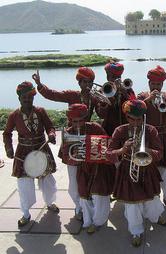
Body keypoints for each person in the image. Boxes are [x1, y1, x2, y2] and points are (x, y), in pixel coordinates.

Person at [32, 67, 98, 220]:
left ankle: (88, 202)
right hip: (71, 137)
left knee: (89, 173)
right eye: (84, 82)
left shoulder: (94, 97)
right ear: (79, 82)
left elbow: (101, 113)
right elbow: (53, 95)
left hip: (87, 136)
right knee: (73, 175)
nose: (87, 85)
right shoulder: (72, 95)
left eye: (90, 82)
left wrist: (103, 103)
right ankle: (78, 206)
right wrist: (40, 85)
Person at [106, 99, 166, 247]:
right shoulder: (120, 130)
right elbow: (108, 154)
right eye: (131, 119)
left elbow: (159, 154)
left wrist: (146, 150)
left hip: (148, 169)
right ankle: (136, 231)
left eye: (139, 119)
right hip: (128, 170)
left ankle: (155, 216)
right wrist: (122, 150)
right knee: (132, 204)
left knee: (152, 199)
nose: (135, 123)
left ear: (143, 117)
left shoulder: (151, 130)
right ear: (127, 117)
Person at [3, 81, 59, 227]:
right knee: (24, 184)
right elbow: (7, 133)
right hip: (23, 153)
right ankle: (26, 213)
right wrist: (9, 149)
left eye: (30, 97)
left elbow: (50, 127)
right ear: (19, 99)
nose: (27, 100)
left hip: (42, 149)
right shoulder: (13, 115)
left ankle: (50, 203)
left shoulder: (41, 111)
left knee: (47, 180)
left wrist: (52, 135)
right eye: (24, 98)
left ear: (33, 98)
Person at [63, 104, 115, 234]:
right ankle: (86, 217)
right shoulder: (68, 132)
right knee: (81, 193)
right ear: (70, 121)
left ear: (85, 118)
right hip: (79, 166)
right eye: (75, 121)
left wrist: (92, 146)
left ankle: (98, 221)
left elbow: (107, 145)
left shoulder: (95, 127)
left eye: (81, 120)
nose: (78, 124)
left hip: (97, 166)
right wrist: (74, 153)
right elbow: (65, 155)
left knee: (99, 194)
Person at [137, 65, 166, 205]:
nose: (156, 86)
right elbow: (135, 110)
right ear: (149, 83)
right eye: (153, 84)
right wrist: (148, 100)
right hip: (148, 136)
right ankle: (151, 194)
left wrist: (165, 102)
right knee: (148, 166)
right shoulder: (142, 96)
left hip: (164, 135)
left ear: (162, 84)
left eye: (158, 84)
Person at [96, 61, 135, 136]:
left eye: (119, 77)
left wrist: (125, 94)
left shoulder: (128, 89)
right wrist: (111, 96)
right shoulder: (102, 91)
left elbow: (135, 109)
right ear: (108, 77)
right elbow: (101, 114)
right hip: (109, 129)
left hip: (126, 128)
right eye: (113, 77)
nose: (116, 80)